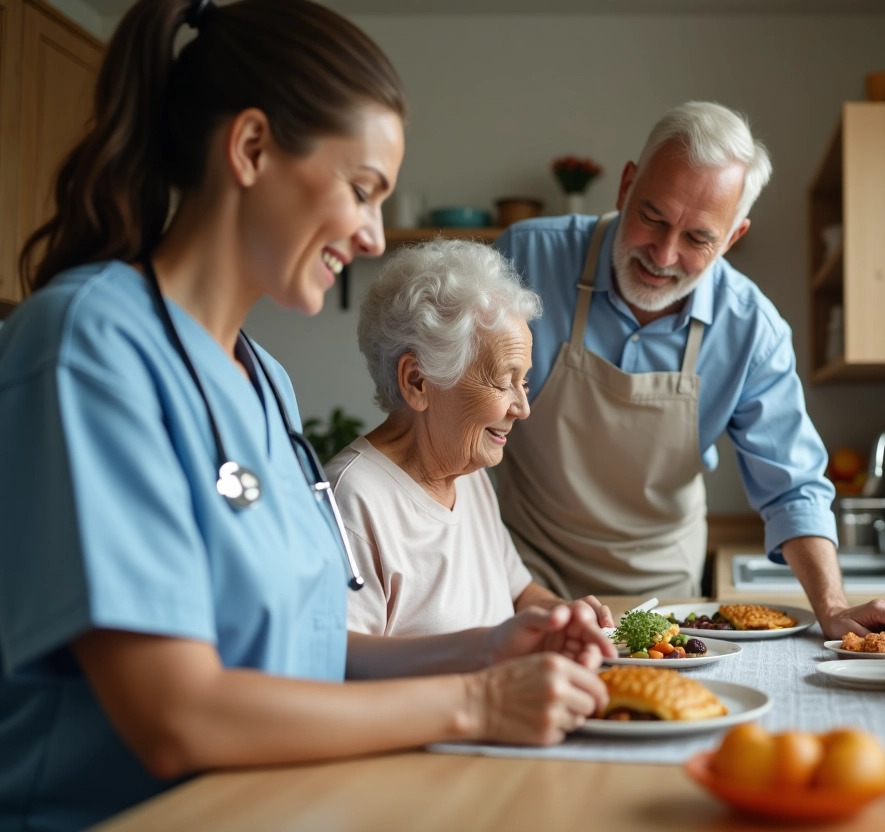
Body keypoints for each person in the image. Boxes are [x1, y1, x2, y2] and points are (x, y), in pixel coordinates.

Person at [0, 2, 609, 829]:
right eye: (362, 191)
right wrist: (477, 701)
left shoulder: (265, 383)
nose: (373, 236)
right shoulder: (90, 345)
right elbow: (179, 715)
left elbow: (312, 658)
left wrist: (491, 646)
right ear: (251, 149)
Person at [493, 101, 885, 641]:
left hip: (659, 585)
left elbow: (792, 489)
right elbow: (457, 412)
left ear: (733, 238)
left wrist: (833, 608)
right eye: (653, 217)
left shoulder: (751, 329)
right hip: (524, 567)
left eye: (698, 239)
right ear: (626, 187)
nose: (664, 254)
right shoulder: (525, 259)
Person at [326, 238, 614, 637]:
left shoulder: (470, 474)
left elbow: (518, 593)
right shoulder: (351, 501)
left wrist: (564, 614)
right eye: (502, 381)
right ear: (417, 380)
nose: (522, 408)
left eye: (524, 382)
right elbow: (341, 665)